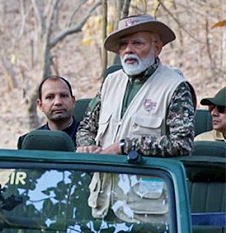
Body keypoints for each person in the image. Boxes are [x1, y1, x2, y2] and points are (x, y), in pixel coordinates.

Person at [75, 14, 194, 157]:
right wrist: (87, 145)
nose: (128, 50)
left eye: (137, 43)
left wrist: (126, 146)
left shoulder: (175, 87)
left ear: (157, 48)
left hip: (148, 178)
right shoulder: (110, 82)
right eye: (123, 44)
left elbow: (182, 144)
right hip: (103, 176)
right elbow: (86, 128)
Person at [32, 75, 79, 140]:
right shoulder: (31, 142)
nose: (58, 102)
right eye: (50, 97)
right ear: (40, 105)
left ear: (73, 101)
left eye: (64, 96)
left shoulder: (93, 137)